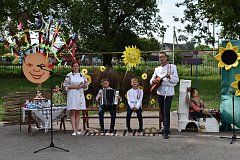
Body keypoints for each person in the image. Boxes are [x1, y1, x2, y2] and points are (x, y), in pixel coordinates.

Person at [150, 52, 179, 139]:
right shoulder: (157, 69)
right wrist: (153, 81)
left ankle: (166, 131)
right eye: (160, 57)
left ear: (166, 58)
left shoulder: (172, 67)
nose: (161, 59)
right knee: (162, 111)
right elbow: (152, 79)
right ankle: (165, 127)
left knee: (166, 111)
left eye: (163, 57)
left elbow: (176, 80)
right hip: (160, 91)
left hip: (168, 91)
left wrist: (169, 77)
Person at [63, 61, 88, 136]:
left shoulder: (82, 75)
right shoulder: (69, 75)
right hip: (72, 94)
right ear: (72, 67)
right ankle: (73, 129)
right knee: (73, 112)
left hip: (80, 94)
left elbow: (86, 86)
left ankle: (77, 129)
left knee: (78, 112)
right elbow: (65, 86)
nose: (75, 67)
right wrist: (75, 87)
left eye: (77, 66)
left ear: (79, 67)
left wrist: (84, 85)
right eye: (74, 66)